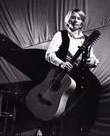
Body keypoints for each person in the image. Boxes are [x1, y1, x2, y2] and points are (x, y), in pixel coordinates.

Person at [41, 8, 102, 136]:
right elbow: (49, 54)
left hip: (80, 80)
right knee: (66, 116)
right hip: (64, 79)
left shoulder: (87, 40)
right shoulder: (61, 35)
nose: (75, 20)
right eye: (73, 17)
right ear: (68, 20)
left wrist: (93, 62)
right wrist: (61, 63)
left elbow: (93, 58)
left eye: (78, 18)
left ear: (82, 23)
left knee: (87, 110)